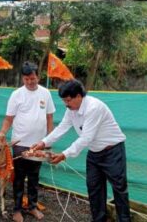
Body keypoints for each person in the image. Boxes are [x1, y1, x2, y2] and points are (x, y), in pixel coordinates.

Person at [31, 79, 130, 222]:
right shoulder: (71, 110)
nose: (66, 104)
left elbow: (86, 138)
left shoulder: (94, 108)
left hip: (112, 151)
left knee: (119, 189)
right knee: (94, 188)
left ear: (79, 96)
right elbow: (61, 128)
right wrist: (43, 142)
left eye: (68, 100)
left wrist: (64, 155)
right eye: (64, 101)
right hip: (95, 153)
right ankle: (99, 219)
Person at [0, 62, 55, 222]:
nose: (30, 81)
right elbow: (9, 119)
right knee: (19, 178)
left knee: (35, 178)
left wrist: (48, 139)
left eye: (33, 78)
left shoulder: (46, 93)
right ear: (23, 78)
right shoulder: (17, 94)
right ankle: (17, 209)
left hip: (39, 143)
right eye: (27, 79)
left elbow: (49, 117)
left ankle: (32, 206)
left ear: (38, 76)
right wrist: (2, 133)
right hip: (20, 143)